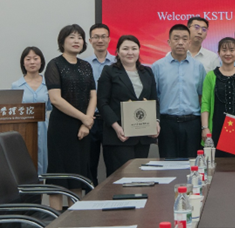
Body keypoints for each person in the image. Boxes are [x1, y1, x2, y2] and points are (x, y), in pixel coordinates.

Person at [44, 24, 96, 210]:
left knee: (77, 174)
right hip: (61, 127)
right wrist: (84, 118)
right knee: (59, 176)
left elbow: (93, 96)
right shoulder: (54, 64)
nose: (76, 41)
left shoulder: (86, 66)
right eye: (72, 37)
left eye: (80, 37)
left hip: (82, 128)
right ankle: (56, 219)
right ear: (62, 41)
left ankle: (75, 218)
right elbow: (55, 99)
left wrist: (87, 123)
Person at [97, 35, 160, 176]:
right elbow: (102, 102)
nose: (130, 52)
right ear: (118, 52)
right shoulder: (109, 71)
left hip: (143, 135)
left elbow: (154, 100)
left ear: (139, 51)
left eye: (134, 48)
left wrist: (155, 122)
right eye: (125, 49)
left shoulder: (147, 72)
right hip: (119, 136)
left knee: (140, 178)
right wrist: (116, 127)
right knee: (121, 178)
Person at [152, 24, 206, 158]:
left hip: (192, 123)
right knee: (168, 163)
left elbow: (202, 96)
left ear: (189, 42)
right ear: (169, 42)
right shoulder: (157, 67)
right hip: (166, 123)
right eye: (176, 39)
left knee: (192, 162)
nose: (180, 42)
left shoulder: (198, 67)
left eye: (184, 39)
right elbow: (153, 98)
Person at [201, 37, 235, 157]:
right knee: (218, 164)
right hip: (217, 127)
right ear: (218, 53)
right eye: (224, 50)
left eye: (231, 50)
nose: (228, 54)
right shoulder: (211, 76)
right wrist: (205, 128)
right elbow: (205, 104)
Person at [84, 23, 116, 186]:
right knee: (89, 165)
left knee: (114, 164)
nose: (100, 40)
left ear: (109, 39)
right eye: (96, 37)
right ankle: (91, 196)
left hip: (112, 121)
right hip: (90, 120)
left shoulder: (118, 63)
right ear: (90, 40)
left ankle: (113, 196)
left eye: (103, 36)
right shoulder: (83, 64)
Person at [12, 46, 51, 175]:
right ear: (23, 63)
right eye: (28, 59)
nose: (32, 62)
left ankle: (42, 186)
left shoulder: (49, 83)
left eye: (35, 58)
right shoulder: (16, 85)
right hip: (24, 128)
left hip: (44, 128)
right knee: (26, 162)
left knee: (44, 161)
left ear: (41, 61)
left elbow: (50, 106)